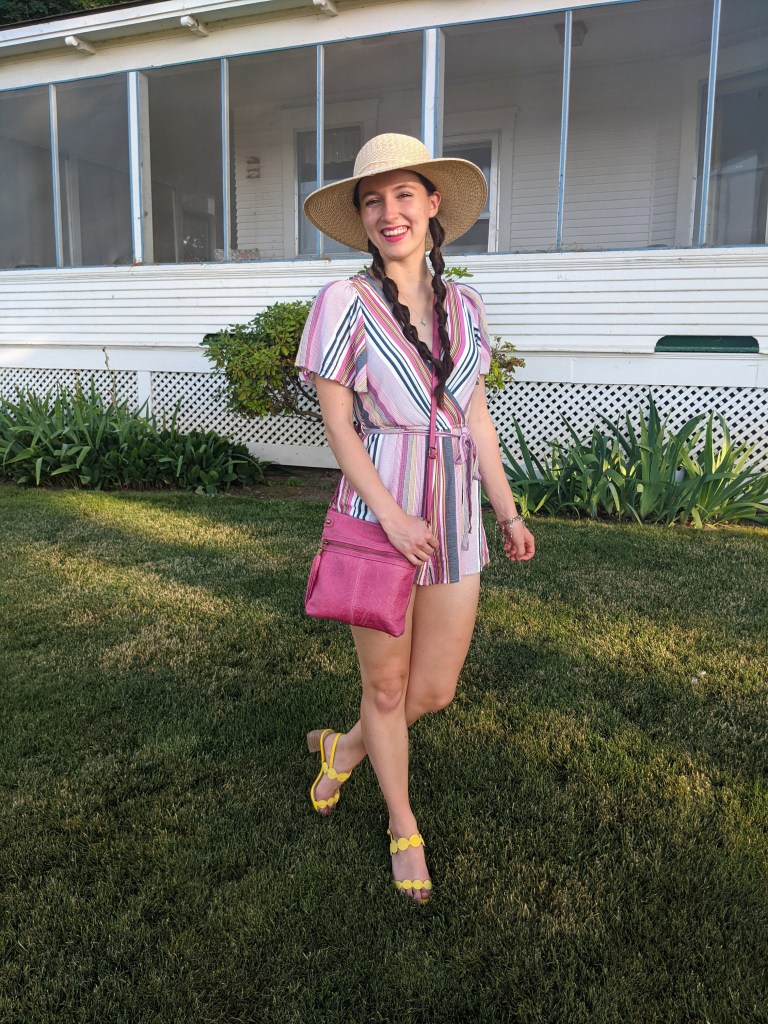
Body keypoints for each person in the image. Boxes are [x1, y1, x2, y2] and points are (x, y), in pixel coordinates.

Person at [296, 133, 535, 903]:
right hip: (379, 514)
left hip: (458, 519)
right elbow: (338, 427)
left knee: (433, 691)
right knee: (389, 686)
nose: (388, 211)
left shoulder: (467, 306)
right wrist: (394, 517)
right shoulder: (343, 303)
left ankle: (343, 747)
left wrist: (505, 508)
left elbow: (478, 420)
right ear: (362, 217)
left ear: (433, 206)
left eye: (404, 195)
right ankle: (404, 826)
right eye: (373, 199)